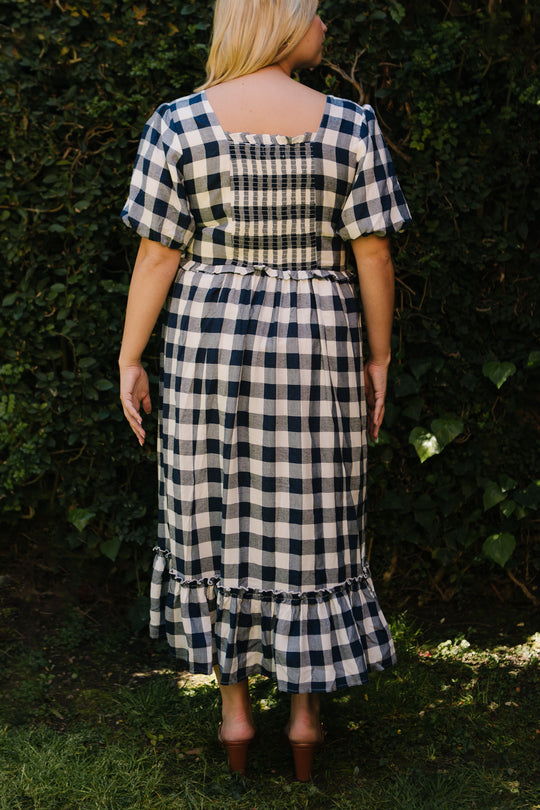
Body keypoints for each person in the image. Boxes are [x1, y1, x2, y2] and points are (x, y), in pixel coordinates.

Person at [119, 0, 411, 781]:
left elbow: (157, 256)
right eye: (316, 13)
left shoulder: (177, 122)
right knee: (312, 521)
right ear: (279, 20)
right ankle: (307, 722)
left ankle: (235, 717)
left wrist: (129, 356)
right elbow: (374, 254)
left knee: (212, 513)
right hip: (315, 341)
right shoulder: (351, 125)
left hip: (209, 339)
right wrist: (379, 357)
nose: (325, 27)